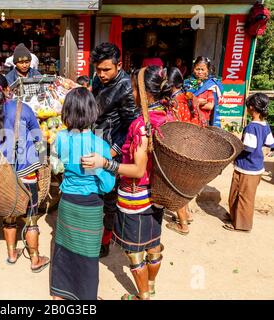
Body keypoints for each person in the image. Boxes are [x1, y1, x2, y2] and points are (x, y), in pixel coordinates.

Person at [81, 66, 170, 300]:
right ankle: (150, 287)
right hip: (158, 194)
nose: (131, 93)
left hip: (136, 195)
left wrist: (105, 163)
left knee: (134, 251)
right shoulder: (167, 116)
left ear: (143, 91)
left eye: (133, 88)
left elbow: (138, 169)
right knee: (153, 244)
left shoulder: (142, 125)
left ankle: (142, 296)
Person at [50, 87, 115, 300]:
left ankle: (59, 295)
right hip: (90, 207)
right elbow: (106, 186)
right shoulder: (100, 145)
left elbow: (56, 165)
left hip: (68, 202)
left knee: (64, 251)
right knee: (87, 256)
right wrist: (100, 168)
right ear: (92, 111)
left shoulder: (60, 138)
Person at [0, 74, 50, 273]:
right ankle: (35, 258)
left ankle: (12, 254)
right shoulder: (23, 108)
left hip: (2, 174)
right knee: (31, 217)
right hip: (27, 172)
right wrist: (43, 162)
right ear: (8, 89)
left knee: (9, 216)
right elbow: (38, 138)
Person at [91, 42, 139, 258]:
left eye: (106, 70)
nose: (101, 74)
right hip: (96, 139)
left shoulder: (127, 87)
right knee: (95, 191)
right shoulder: (97, 79)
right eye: (98, 69)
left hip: (112, 146)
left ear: (119, 65)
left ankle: (106, 239)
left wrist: (113, 151)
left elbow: (131, 124)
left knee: (109, 196)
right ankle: (94, 232)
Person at [224, 93, 274, 232]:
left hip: (247, 167)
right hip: (256, 167)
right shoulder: (265, 125)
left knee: (243, 197)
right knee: (237, 194)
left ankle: (242, 225)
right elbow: (270, 143)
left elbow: (249, 147)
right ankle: (235, 217)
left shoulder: (252, 127)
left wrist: (237, 142)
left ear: (251, 108)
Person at [164, 67, 200, 236]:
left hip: (179, 146)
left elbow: (172, 126)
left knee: (176, 185)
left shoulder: (174, 102)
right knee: (184, 184)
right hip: (191, 145)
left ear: (170, 84)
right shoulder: (189, 97)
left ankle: (183, 224)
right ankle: (187, 214)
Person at [184, 56, 223, 126]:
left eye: (202, 69)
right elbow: (183, 101)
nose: (199, 72)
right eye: (197, 69)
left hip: (204, 121)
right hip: (189, 119)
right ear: (193, 69)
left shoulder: (210, 84)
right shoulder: (187, 83)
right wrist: (198, 101)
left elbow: (210, 106)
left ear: (207, 70)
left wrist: (193, 102)